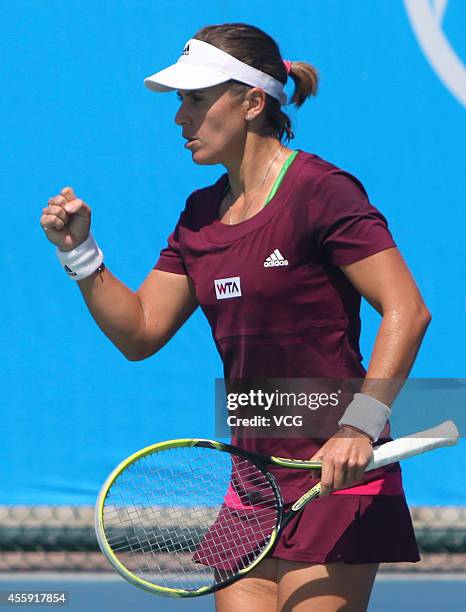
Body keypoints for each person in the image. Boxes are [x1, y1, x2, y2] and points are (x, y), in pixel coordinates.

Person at [40, 23, 431, 612]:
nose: (180, 118)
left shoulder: (323, 192)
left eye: (196, 100)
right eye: (180, 101)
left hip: (338, 473)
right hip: (252, 481)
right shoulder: (200, 216)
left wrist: (359, 426)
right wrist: (79, 253)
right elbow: (140, 331)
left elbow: (407, 308)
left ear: (252, 103)